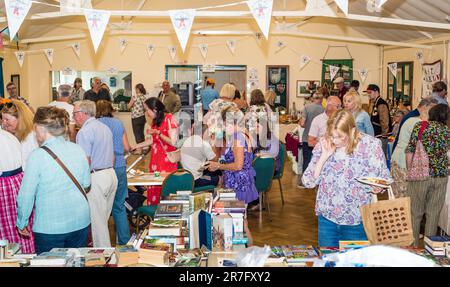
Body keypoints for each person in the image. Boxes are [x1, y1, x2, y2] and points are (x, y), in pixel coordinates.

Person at [302, 110, 392, 247]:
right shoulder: (325, 144)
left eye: (340, 137)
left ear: (352, 130)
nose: (335, 141)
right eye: (332, 135)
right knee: (328, 261)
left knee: (353, 261)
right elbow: (308, 181)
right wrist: (324, 156)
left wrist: (378, 186)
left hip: (356, 218)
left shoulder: (370, 145)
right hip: (327, 217)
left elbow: (384, 177)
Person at [16, 107, 91, 254]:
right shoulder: (78, 149)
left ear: (41, 128)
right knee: (76, 262)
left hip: (50, 226)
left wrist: (22, 221)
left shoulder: (36, 156)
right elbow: (86, 184)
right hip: (80, 220)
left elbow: (26, 195)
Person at [73, 100, 117, 247]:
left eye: (75, 114)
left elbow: (85, 162)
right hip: (111, 174)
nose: (73, 117)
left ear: (83, 114)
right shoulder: (104, 128)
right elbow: (113, 155)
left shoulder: (84, 132)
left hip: (96, 178)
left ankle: (103, 259)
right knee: (102, 222)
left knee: (98, 227)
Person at [406, 104, 450, 247]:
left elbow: (410, 150)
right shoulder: (447, 131)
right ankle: (429, 249)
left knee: (415, 212)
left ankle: (413, 247)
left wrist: (409, 170)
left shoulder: (421, 126)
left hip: (420, 175)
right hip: (441, 176)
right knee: (433, 214)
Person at [95, 100, 131, 245]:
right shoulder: (118, 123)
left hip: (101, 168)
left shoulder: (95, 126)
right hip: (120, 166)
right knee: (119, 206)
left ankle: (102, 244)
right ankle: (124, 242)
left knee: (100, 209)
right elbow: (127, 147)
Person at [206, 106, 259, 204]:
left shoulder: (237, 137)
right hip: (244, 181)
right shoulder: (245, 133)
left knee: (236, 217)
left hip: (237, 183)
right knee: (242, 217)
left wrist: (218, 165)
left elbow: (238, 166)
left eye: (225, 124)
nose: (224, 128)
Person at [131, 98, 179, 204]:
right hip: (155, 162)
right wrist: (136, 146)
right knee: (154, 187)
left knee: (164, 189)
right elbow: (153, 140)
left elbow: (174, 142)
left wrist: (158, 133)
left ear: (155, 109)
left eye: (147, 110)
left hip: (166, 162)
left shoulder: (169, 119)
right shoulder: (156, 121)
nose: (146, 113)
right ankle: (154, 215)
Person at [390, 98, 437, 198]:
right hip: (403, 163)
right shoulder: (418, 123)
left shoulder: (412, 119)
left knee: (400, 196)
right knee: (403, 197)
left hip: (399, 159)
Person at [0, 128, 35, 253]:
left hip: (3, 186)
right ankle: (26, 254)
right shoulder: (10, 136)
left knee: (5, 232)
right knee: (20, 225)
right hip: (18, 181)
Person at [1, 99, 39, 169]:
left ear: (20, 119)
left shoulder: (30, 137)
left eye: (7, 119)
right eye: (2, 119)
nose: (3, 123)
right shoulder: (10, 134)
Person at [181, 123, 219, 188]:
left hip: (185, 177)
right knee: (218, 178)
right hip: (196, 180)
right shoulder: (203, 143)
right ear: (204, 132)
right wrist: (213, 143)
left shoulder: (188, 140)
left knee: (209, 171)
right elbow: (215, 159)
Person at [300, 92, 325, 173]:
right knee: (319, 161)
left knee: (306, 160)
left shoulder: (306, 107)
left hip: (307, 138)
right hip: (319, 140)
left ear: (312, 99)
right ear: (321, 100)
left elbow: (302, 124)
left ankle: (304, 181)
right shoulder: (324, 110)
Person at [366, 84, 392, 157]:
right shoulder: (374, 102)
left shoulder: (381, 103)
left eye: (370, 92)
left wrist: (384, 135)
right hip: (376, 134)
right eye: (368, 93)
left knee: (381, 155)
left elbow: (384, 121)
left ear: (376, 92)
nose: (368, 94)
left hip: (381, 135)